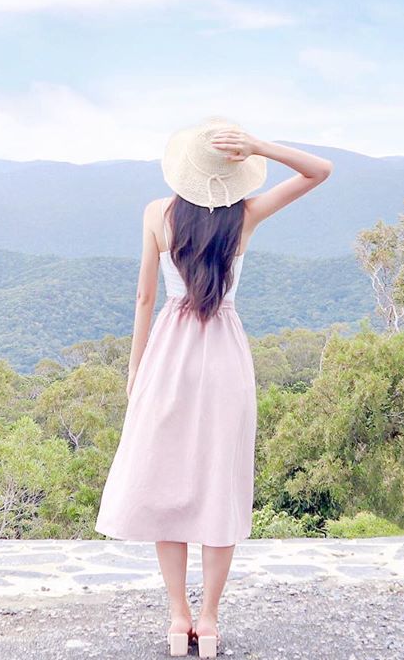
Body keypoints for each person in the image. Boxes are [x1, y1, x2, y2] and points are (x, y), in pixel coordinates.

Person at [94, 116, 333, 657]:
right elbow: (320, 171)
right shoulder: (246, 214)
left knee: (165, 484)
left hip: (168, 355)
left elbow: (144, 299)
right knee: (217, 484)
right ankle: (210, 618)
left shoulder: (157, 213)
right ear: (233, 173)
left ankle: (179, 618)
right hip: (224, 355)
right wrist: (261, 145)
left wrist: (135, 370)